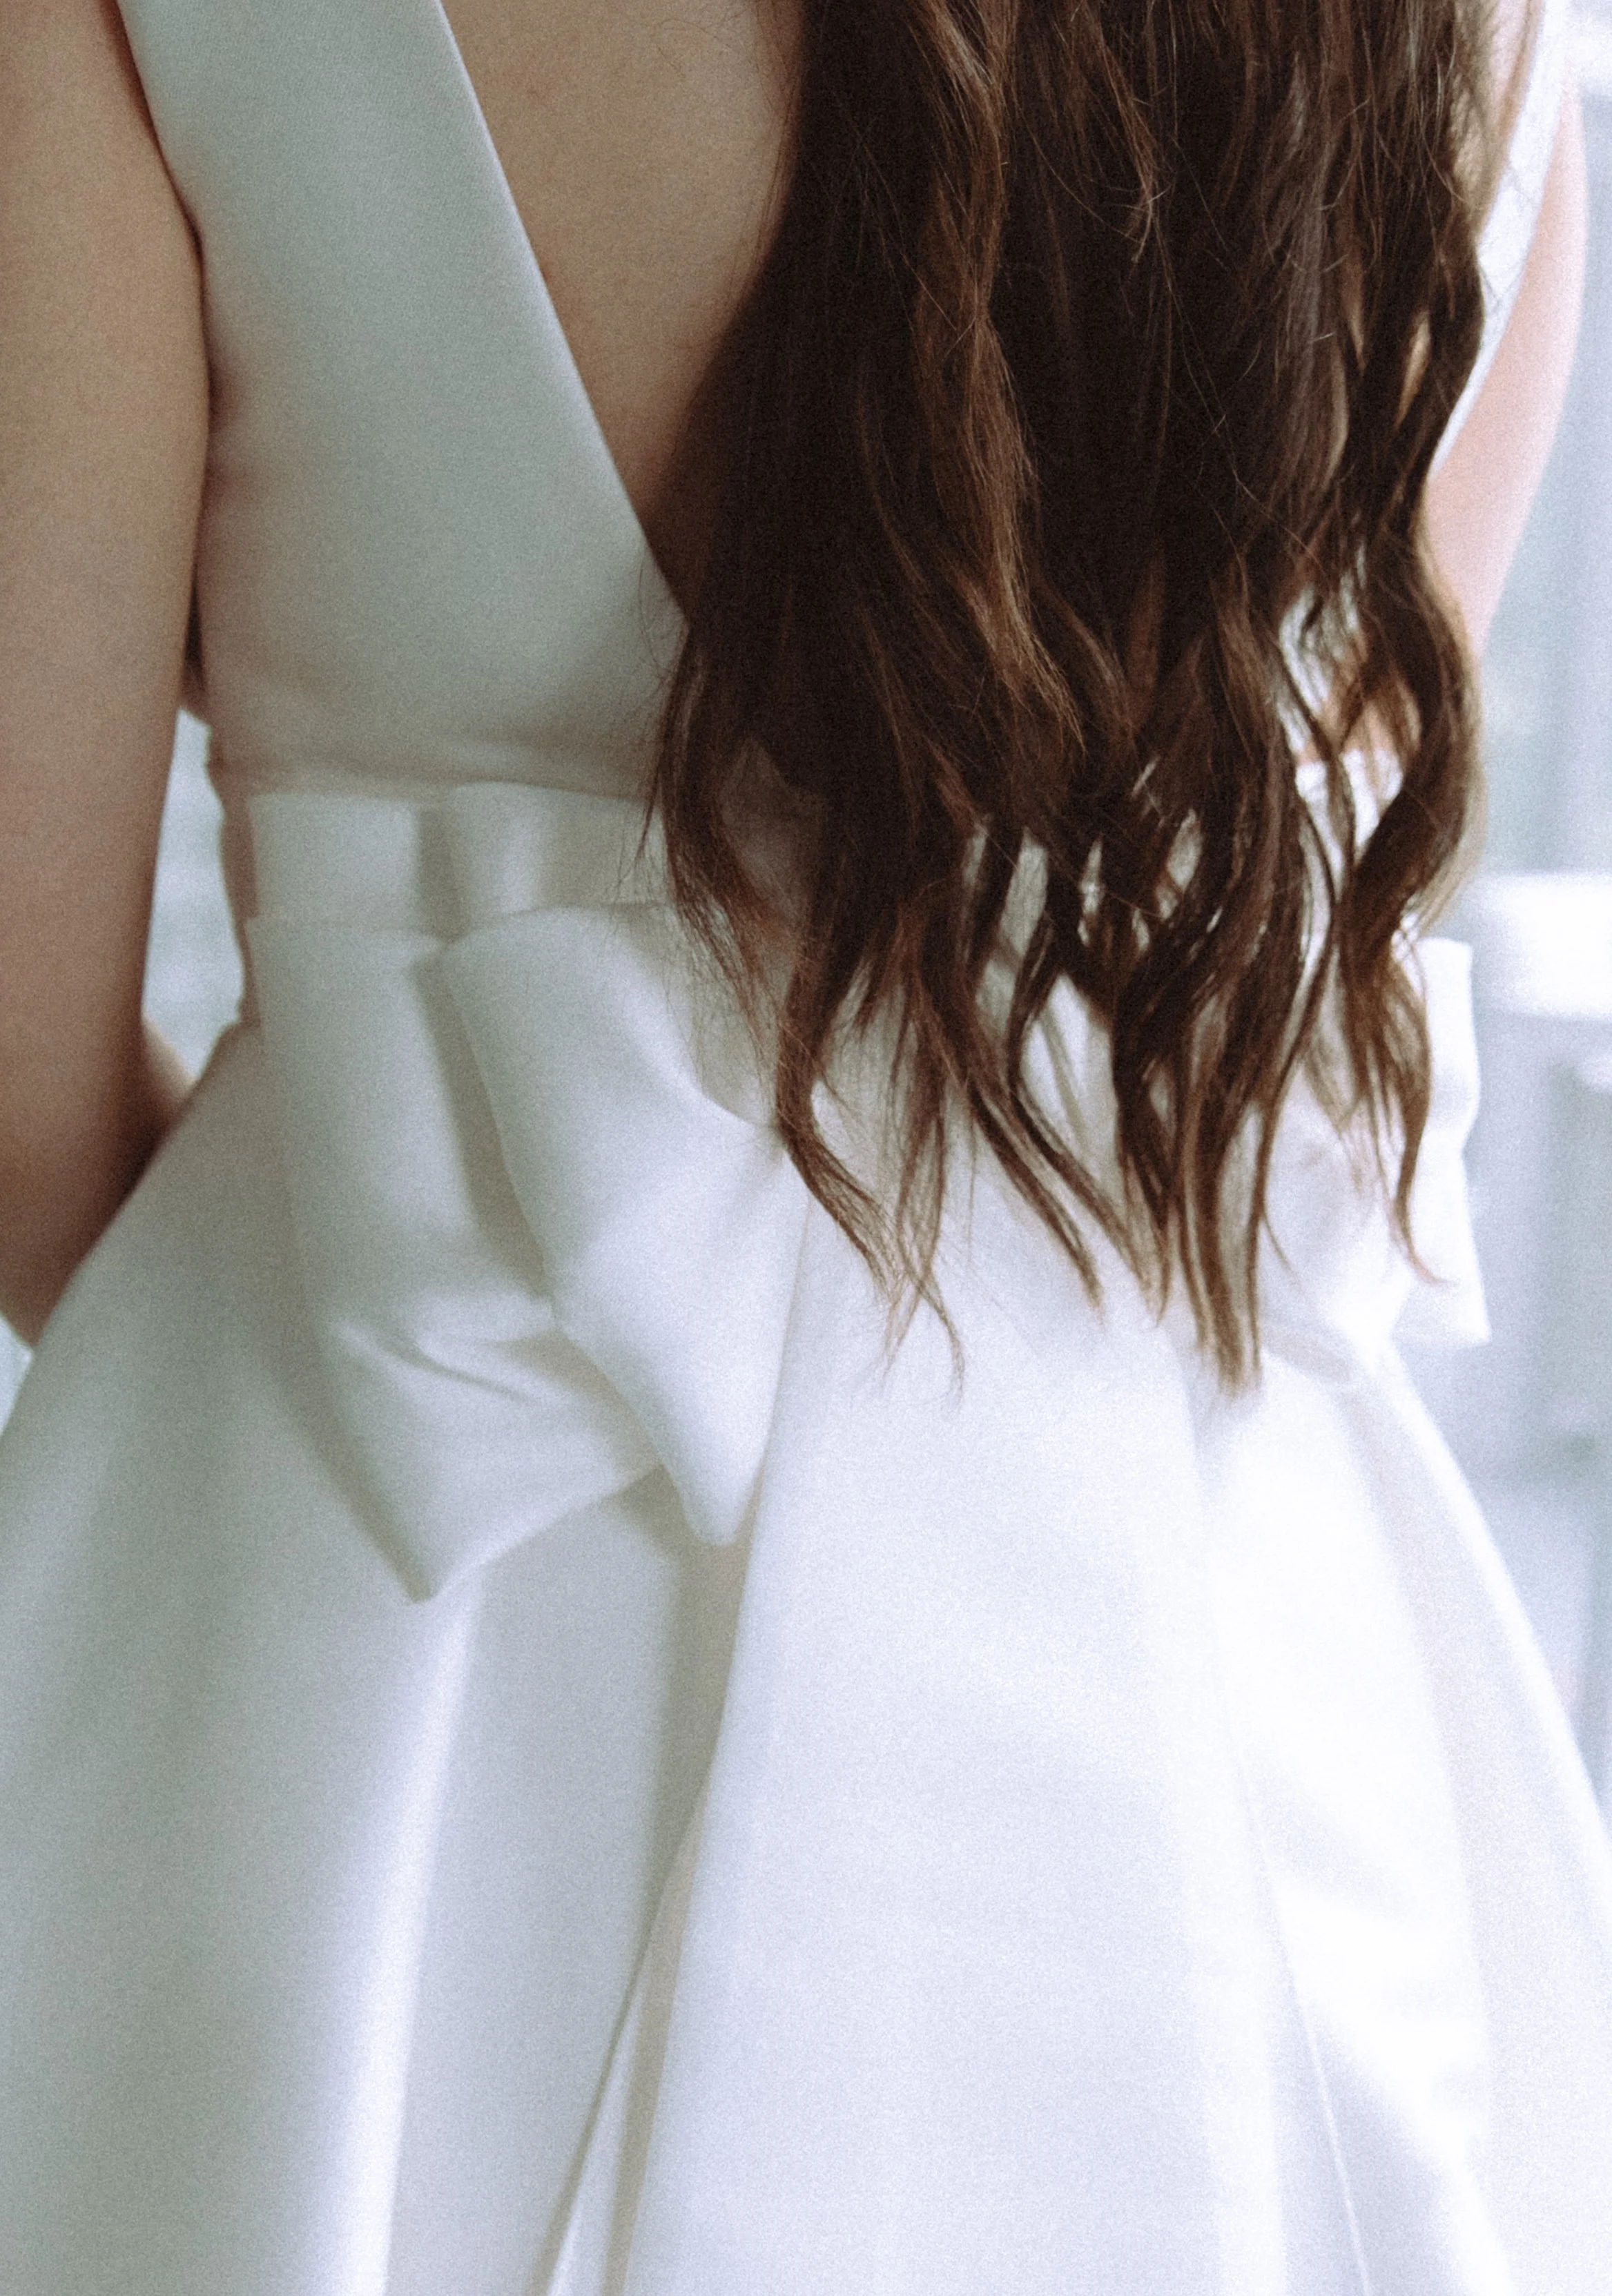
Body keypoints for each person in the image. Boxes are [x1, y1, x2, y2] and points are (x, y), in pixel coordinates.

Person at [0, 0, 1606, 2288]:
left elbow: (13, 1075)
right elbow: (1312, 850)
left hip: (370, 1638)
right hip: (1209, 1660)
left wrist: (370, 1246)